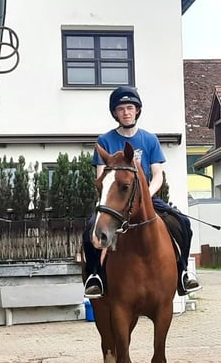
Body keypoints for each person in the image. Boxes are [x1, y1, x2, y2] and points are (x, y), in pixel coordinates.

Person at [83, 86, 201, 299]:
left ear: (137, 110)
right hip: (116, 202)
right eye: (121, 109)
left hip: (146, 199)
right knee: (91, 227)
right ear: (115, 113)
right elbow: (102, 177)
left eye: (130, 107)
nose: (126, 112)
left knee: (183, 223)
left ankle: (183, 271)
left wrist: (144, 194)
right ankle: (95, 276)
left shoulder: (150, 140)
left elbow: (158, 175)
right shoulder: (105, 141)